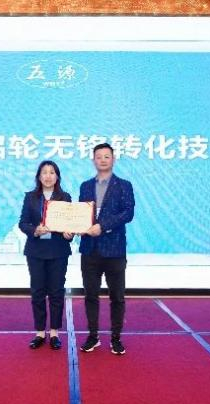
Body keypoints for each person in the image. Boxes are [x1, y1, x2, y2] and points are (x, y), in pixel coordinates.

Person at [78, 143, 135, 355]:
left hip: (115, 250)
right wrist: (75, 227)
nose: (102, 160)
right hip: (89, 249)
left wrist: (102, 226)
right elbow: (80, 214)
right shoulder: (85, 186)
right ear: (93, 160)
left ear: (113, 159)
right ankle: (93, 336)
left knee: (117, 297)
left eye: (106, 156)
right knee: (90, 296)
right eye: (99, 156)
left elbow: (128, 213)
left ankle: (116, 338)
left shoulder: (124, 185)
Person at [19, 160, 74, 350]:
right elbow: (23, 223)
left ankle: (54, 332)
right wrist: (35, 230)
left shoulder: (65, 197)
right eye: (44, 172)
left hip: (58, 251)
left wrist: (70, 234)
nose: (48, 176)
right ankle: (40, 332)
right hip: (36, 251)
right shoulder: (30, 197)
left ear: (57, 176)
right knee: (38, 292)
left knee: (57, 292)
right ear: (39, 176)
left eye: (52, 172)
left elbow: (70, 224)